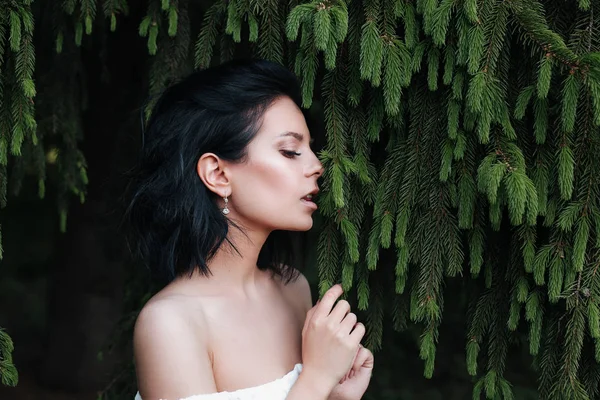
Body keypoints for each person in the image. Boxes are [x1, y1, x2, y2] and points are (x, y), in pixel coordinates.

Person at [125, 59, 374, 400]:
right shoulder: (170, 323)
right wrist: (317, 379)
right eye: (290, 151)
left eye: (310, 149)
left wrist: (337, 396)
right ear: (218, 174)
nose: (316, 166)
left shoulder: (292, 288)